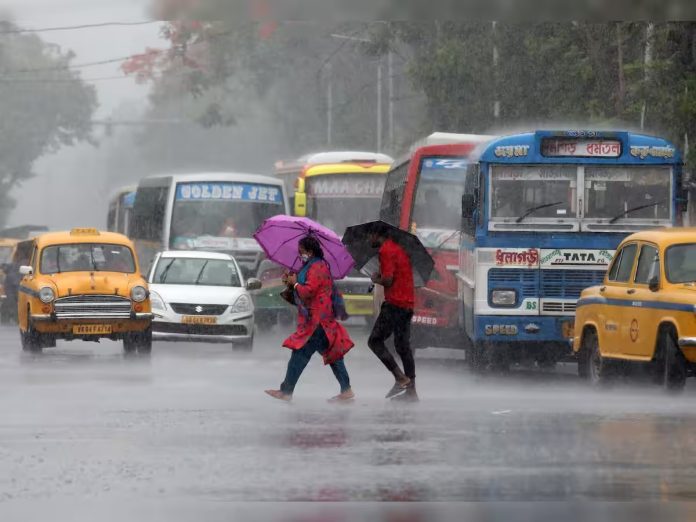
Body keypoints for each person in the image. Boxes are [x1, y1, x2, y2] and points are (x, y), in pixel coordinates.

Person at [265, 236, 355, 402]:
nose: (300, 255)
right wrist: (291, 281)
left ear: (310, 251)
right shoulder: (310, 265)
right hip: (319, 319)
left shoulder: (318, 267)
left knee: (300, 353)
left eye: (302, 252)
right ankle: (346, 389)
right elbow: (302, 286)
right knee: (333, 355)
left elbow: (308, 291)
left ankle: (286, 391)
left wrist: (296, 284)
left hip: (317, 321)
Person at [367, 224, 418, 402]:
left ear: (376, 234)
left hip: (395, 304)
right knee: (403, 346)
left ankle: (400, 377)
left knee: (374, 341)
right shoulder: (398, 249)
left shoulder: (386, 251)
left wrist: (376, 279)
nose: (368, 240)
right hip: (407, 304)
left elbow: (388, 280)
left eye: (370, 236)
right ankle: (412, 392)